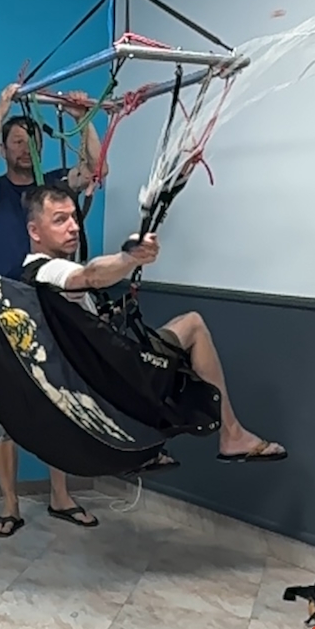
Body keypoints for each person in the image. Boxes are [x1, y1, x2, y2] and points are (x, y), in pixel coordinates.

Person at [23, 184, 288, 464]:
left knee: (178, 337)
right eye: (60, 220)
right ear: (34, 231)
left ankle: (148, 442)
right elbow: (91, 275)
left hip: (101, 374)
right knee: (193, 325)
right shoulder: (49, 271)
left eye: (74, 218)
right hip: (113, 380)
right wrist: (128, 259)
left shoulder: (40, 282)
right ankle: (232, 435)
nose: (74, 227)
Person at [0, 84, 107, 538]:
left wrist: (81, 119)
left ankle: (61, 496)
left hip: (52, 306)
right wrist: (0, 110)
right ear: (6, 149)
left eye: (29, 141)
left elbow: (95, 169)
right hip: (3, 311)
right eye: (15, 141)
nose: (22, 148)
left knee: (59, 401)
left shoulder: (52, 192)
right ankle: (10, 505)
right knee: (0, 414)